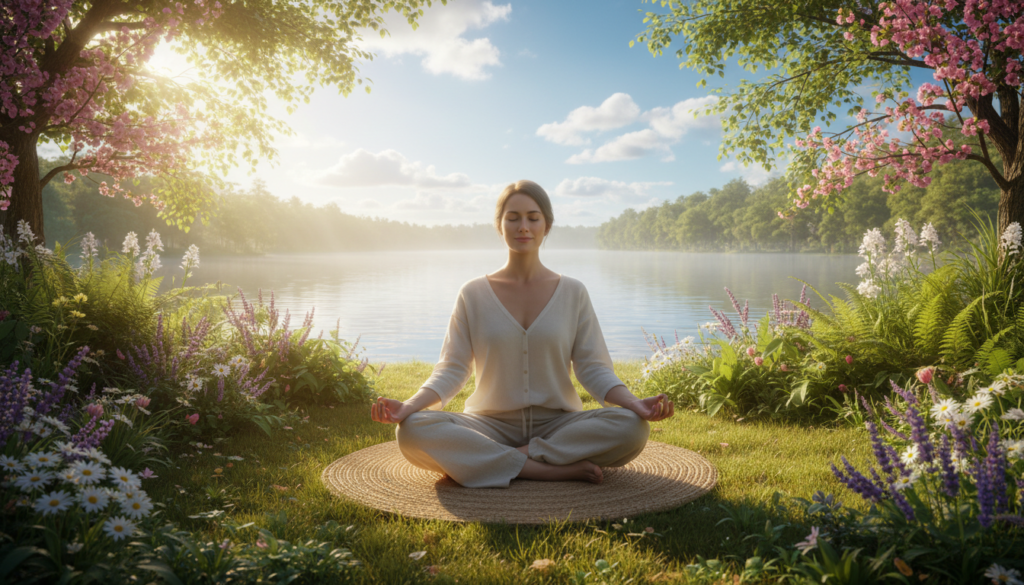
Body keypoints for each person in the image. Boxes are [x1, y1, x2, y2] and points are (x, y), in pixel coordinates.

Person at [370, 180, 675, 488]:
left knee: (632, 427)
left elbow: (593, 367)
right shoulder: (472, 294)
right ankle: (543, 469)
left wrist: (635, 404)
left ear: (547, 225)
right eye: (513, 218)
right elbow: (452, 368)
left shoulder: (573, 292)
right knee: (413, 429)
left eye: (533, 217)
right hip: (487, 425)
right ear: (499, 225)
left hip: (558, 424)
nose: (523, 227)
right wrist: (409, 406)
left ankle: (502, 459)